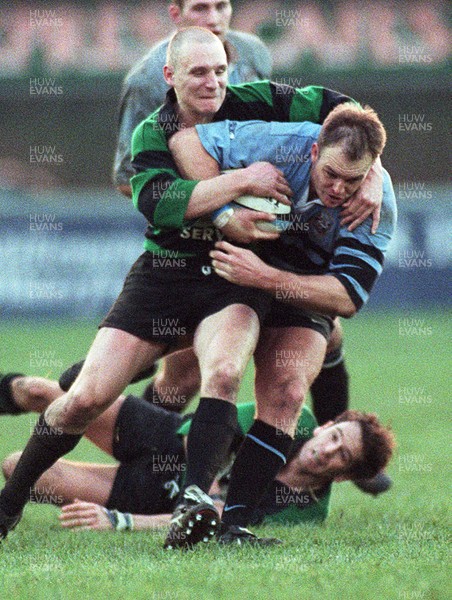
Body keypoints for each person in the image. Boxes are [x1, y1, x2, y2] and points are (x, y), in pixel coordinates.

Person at [0, 28, 381, 549]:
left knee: (224, 372)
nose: (213, 83)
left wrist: (374, 174)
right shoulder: (151, 134)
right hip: (166, 274)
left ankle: (194, 502)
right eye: (199, 72)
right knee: (82, 397)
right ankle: (10, 505)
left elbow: (347, 113)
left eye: (221, 71)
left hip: (232, 275)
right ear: (170, 76)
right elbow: (159, 201)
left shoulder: (257, 102)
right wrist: (237, 188)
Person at [165, 101, 396, 541]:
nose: (338, 189)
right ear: (312, 152)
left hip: (296, 283)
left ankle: (232, 525)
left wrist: (268, 278)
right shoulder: (278, 144)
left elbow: (346, 297)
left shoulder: (375, 203)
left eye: (353, 180)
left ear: (370, 173)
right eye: (330, 174)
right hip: (233, 264)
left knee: (289, 392)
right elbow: (185, 142)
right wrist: (224, 209)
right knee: (186, 362)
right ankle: (149, 409)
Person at [0, 373, 395, 540]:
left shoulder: (306, 510)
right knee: (38, 391)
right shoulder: (297, 418)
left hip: (156, 496)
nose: (327, 450)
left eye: (342, 455)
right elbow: (201, 440)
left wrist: (121, 521)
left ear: (344, 477)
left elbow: (213, 520)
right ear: (326, 426)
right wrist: (207, 494)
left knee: (17, 468)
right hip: (169, 438)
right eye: (335, 437)